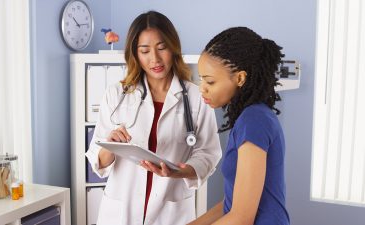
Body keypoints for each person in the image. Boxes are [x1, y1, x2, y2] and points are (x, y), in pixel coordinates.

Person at [85, 11, 222, 225]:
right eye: (145, 51)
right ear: (135, 54)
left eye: (161, 48)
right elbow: (98, 160)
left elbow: (209, 152)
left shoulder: (196, 97)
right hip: (121, 213)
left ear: (173, 48)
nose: (154, 59)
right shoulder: (116, 94)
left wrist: (182, 172)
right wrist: (109, 146)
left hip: (171, 213)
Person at [189, 27, 290, 225]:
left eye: (210, 81)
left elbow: (241, 218)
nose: (202, 88)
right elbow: (232, 203)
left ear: (240, 78)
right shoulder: (249, 117)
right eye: (201, 79)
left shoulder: (254, 120)